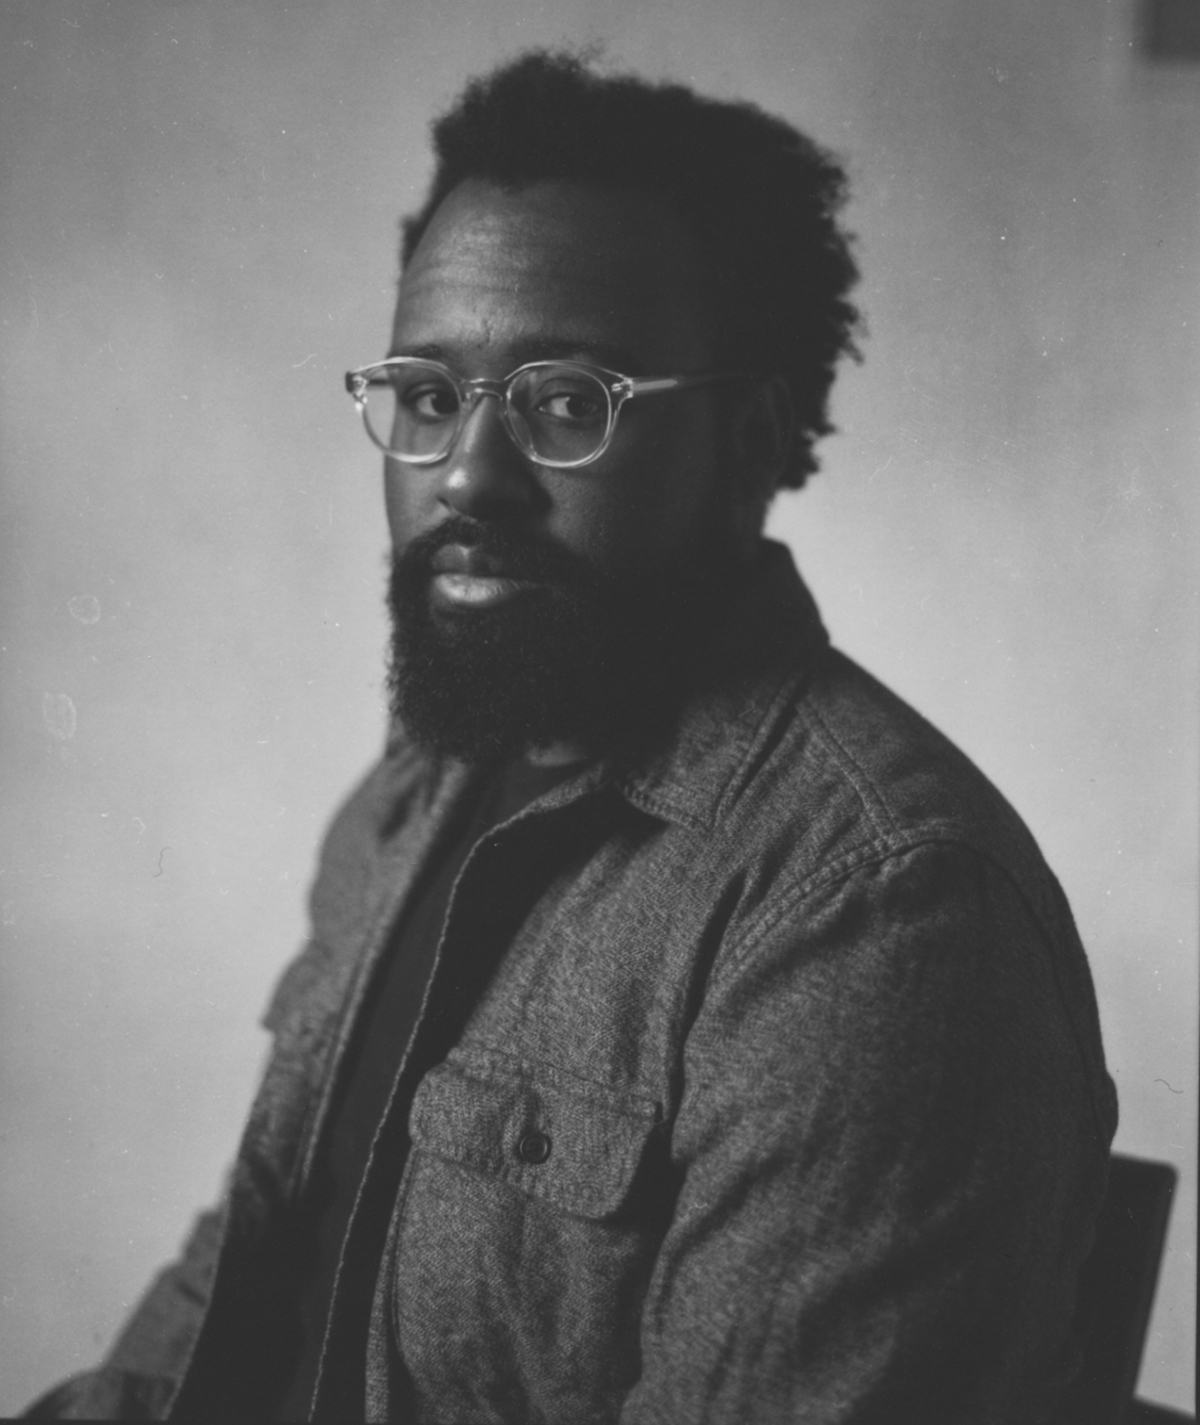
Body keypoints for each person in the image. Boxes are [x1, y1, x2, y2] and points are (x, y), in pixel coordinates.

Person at [26, 49, 1117, 1425]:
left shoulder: (879, 914)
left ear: (752, 440)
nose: (467, 474)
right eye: (426, 395)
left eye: (565, 403)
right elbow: (246, 1285)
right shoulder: (409, 800)